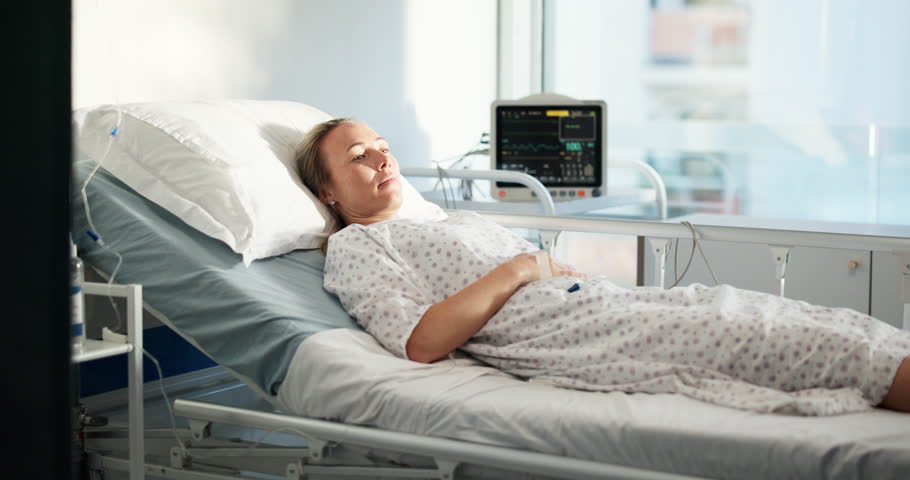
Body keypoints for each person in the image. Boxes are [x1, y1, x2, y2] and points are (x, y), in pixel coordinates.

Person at [295, 118, 910, 416]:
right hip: (579, 335)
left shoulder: (448, 222)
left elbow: (542, 268)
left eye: (381, 145)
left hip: (608, 304)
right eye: (357, 155)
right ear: (327, 194)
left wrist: (543, 268)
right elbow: (421, 341)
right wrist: (516, 271)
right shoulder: (357, 246)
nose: (380, 156)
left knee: (781, 314)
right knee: (781, 339)